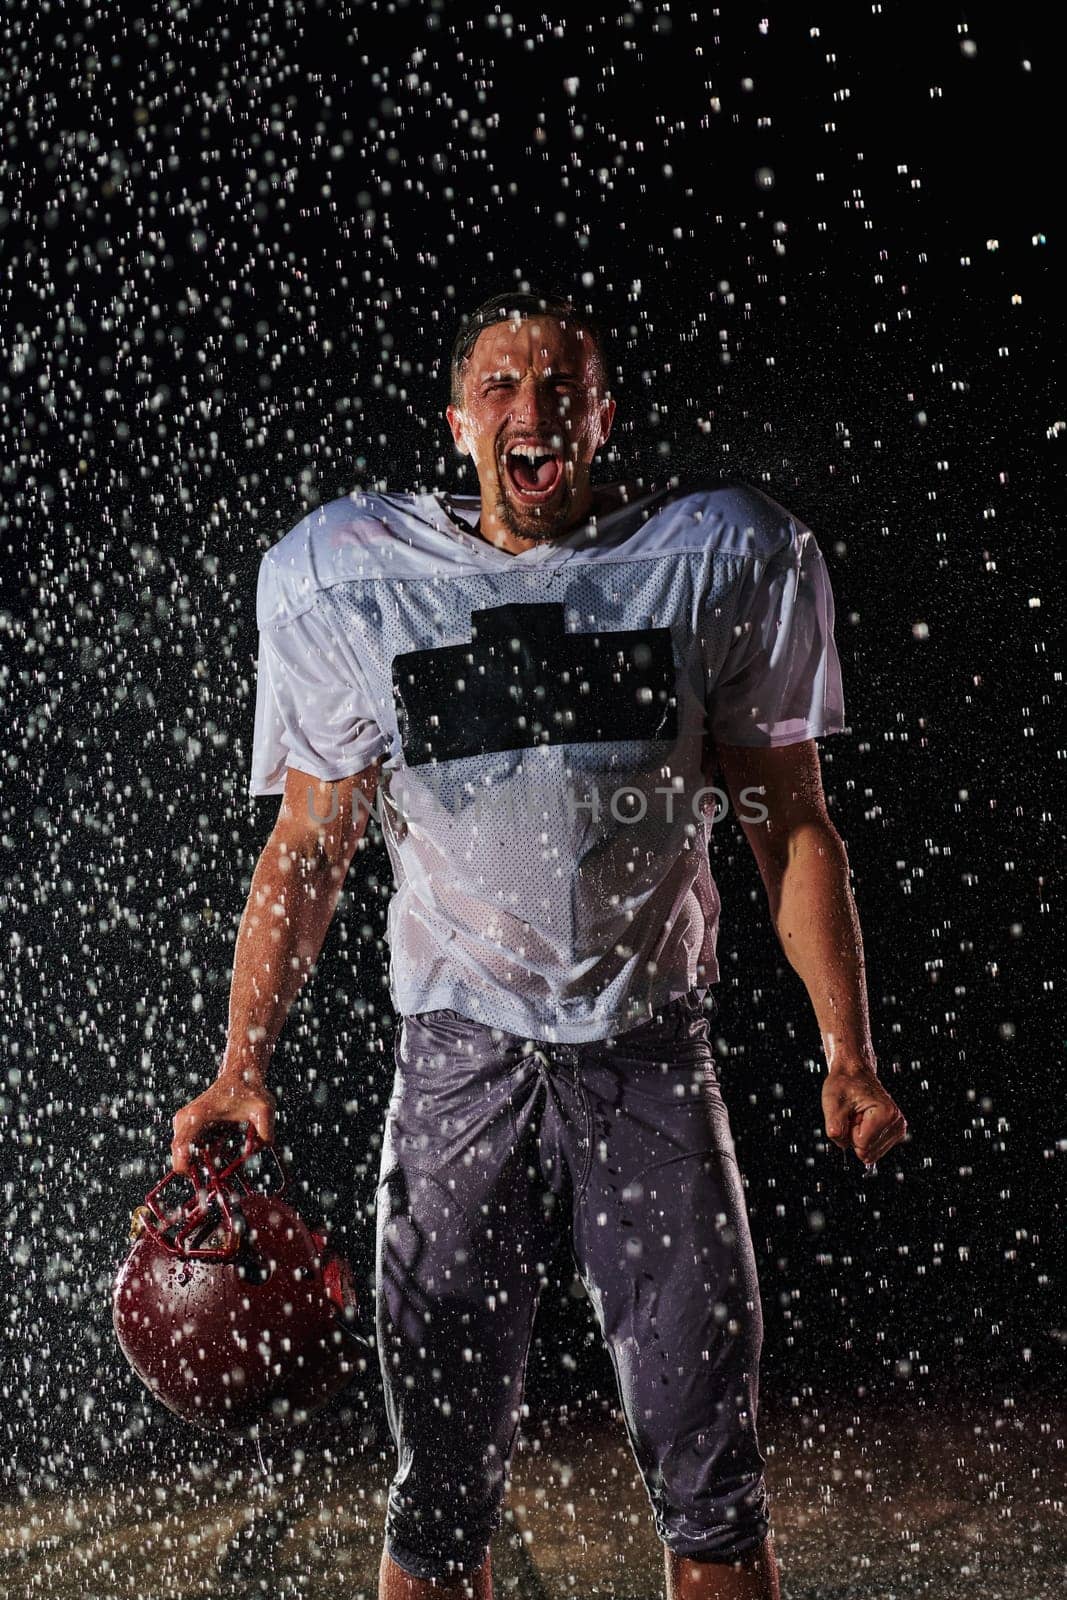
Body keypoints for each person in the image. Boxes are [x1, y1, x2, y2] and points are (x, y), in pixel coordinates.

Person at [172, 288, 907, 1600]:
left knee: (713, 1472)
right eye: (503, 387)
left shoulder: (719, 561)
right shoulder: (357, 577)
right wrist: (242, 1063)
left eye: (562, 383)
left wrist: (845, 1048)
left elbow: (791, 827)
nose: (536, 405)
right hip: (462, 1051)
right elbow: (305, 849)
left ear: (604, 417)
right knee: (439, 1491)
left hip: (650, 1046)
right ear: (459, 426)